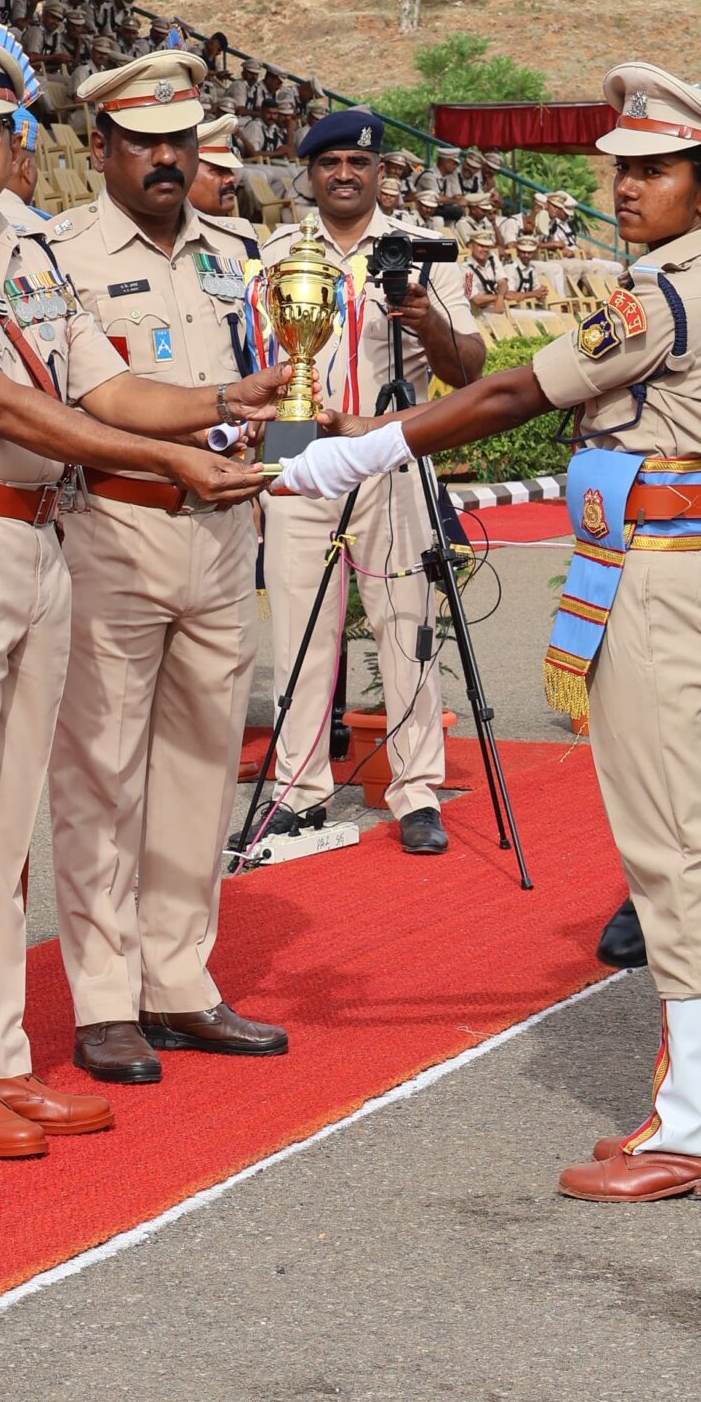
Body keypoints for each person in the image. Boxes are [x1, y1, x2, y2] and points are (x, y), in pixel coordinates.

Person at [273, 64, 701, 1203]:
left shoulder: (662, 296)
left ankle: (699, 1132)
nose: (627, 184)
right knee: (699, 852)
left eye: (655, 170)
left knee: (673, 858)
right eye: (623, 166)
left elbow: (507, 396)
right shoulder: (695, 282)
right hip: (662, 572)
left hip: (654, 582)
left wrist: (363, 448)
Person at [0, 29, 280, 1160]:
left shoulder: (28, 253)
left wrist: (226, 396)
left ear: (13, 141)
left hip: (35, 537)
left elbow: (107, 384)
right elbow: (2, 407)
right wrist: (172, 464)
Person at [41, 53, 286, 1089]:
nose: (164, 160)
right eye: (142, 142)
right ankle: (103, 999)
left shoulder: (239, 248)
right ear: (100, 149)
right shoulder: (58, 254)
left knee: (198, 766)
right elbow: (99, 401)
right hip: (116, 526)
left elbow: (285, 368)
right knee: (99, 772)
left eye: (180, 141)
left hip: (222, 533)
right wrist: (230, 400)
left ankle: (177, 979)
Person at [258, 109, 484, 855]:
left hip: (389, 455)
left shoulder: (422, 253)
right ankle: (299, 790)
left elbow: (468, 370)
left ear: (381, 171)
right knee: (299, 629)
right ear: (311, 174)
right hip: (305, 459)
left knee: (407, 623)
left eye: (360, 162)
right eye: (330, 164)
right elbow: (266, 370)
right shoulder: (276, 257)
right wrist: (277, 468)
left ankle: (416, 790)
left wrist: (425, 320)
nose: (345, 174)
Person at [189, 112, 257, 246]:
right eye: (218, 171)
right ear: (186, 173)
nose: (231, 178)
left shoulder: (242, 235)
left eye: (230, 170)